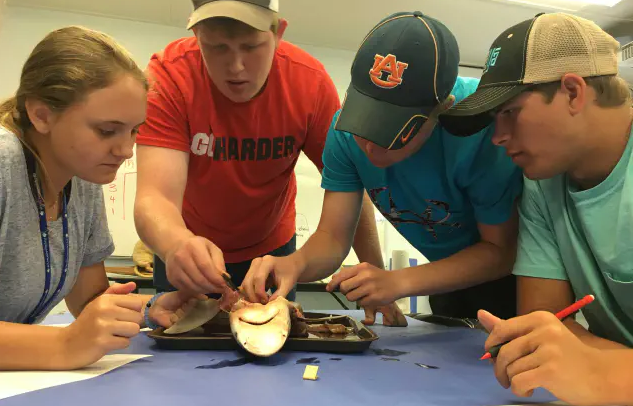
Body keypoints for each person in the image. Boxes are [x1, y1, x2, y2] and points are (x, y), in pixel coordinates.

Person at [242, 11, 523, 323]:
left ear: (444, 109)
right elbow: (333, 238)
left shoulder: (483, 131)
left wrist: (397, 282)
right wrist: (295, 263)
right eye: (366, 125)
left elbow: (501, 252)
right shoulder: (344, 134)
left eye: (393, 133)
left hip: (519, 282)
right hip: (446, 275)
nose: (371, 147)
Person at [134, 0, 388, 316]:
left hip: (272, 252)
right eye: (217, 47)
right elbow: (154, 197)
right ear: (196, 33)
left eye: (251, 46)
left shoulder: (309, 84)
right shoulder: (168, 77)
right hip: (187, 248)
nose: (236, 66)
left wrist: (376, 276)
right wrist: (175, 245)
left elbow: (348, 184)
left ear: (278, 32)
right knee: (180, 345)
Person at [439, 12, 633, 405]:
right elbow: (547, 330)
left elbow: (568, 351)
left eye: (510, 112)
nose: (498, 137)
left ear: (574, 92)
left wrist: (598, 375)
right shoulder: (542, 183)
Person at [0, 26, 201, 371]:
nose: (126, 150)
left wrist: (150, 308)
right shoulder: (4, 166)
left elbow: (89, 302)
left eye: (135, 130)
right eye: (107, 131)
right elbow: (74, 335)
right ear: (41, 115)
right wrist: (64, 344)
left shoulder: (82, 178)